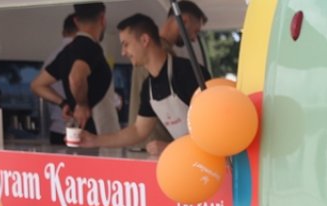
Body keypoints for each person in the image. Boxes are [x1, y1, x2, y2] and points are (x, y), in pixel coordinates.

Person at [78, 14, 204, 155]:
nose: (123, 52)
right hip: (186, 160)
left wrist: (171, 147)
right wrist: (94, 140)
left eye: (126, 44)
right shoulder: (148, 87)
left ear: (144, 40)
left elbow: (212, 127)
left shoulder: (188, 72)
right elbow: (138, 130)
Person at [129, 1, 208, 149]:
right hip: (156, 145)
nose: (193, 39)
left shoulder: (149, 52)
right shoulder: (161, 57)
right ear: (183, 20)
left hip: (147, 143)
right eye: (195, 31)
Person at [30, 3, 117, 136]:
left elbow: (37, 85)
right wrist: (81, 105)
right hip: (92, 131)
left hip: (74, 130)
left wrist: (64, 103)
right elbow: (76, 77)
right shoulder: (90, 47)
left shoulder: (67, 51)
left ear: (76, 21)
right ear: (102, 18)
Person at [43, 14, 78, 145]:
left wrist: (63, 103)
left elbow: (37, 86)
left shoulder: (51, 58)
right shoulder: (79, 55)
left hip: (57, 130)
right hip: (78, 131)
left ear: (63, 32)